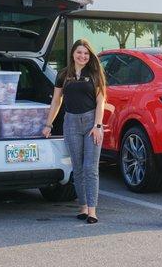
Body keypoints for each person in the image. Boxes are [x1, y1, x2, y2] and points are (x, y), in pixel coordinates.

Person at [42, 39, 106, 224]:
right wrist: (48, 125)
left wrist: (98, 126)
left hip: (91, 122)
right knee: (77, 168)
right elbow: (56, 101)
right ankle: (83, 207)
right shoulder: (63, 74)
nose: (82, 56)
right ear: (73, 54)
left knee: (90, 168)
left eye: (86, 53)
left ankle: (92, 211)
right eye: (79, 52)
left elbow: (101, 101)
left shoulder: (95, 73)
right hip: (70, 122)